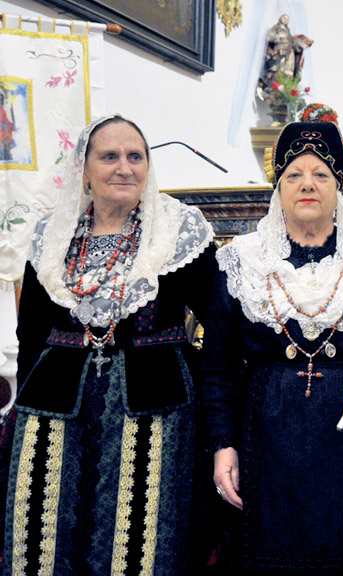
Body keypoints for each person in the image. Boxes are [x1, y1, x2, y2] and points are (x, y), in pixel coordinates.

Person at [2, 114, 217, 574]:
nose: (124, 167)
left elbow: (219, 327)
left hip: (155, 406)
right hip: (55, 407)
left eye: (135, 156)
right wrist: (24, 407)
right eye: (109, 156)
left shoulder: (177, 230)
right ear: (84, 169)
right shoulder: (51, 234)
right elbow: (31, 333)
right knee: (43, 535)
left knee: (139, 540)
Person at [202, 121, 343, 575]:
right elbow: (217, 367)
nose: (307, 185)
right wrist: (222, 445)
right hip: (265, 438)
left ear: (340, 185)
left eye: (321, 174)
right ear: (277, 185)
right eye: (294, 174)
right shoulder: (240, 260)